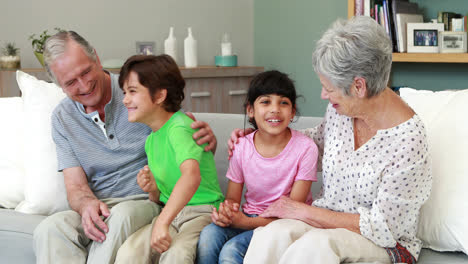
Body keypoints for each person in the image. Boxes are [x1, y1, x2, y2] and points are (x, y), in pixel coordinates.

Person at [231, 16, 432, 264]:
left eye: (329, 87)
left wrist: (303, 211)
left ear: (359, 86)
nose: (324, 95)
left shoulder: (408, 141)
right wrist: (259, 137)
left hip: (384, 243)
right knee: (273, 234)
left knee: (316, 247)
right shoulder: (342, 111)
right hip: (326, 221)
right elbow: (313, 145)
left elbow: (385, 228)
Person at [33, 31, 217, 264]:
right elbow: (75, 186)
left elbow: (179, 130)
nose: (84, 84)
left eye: (86, 71)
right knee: (49, 229)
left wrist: (208, 139)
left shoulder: (137, 90)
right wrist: (87, 204)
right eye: (70, 82)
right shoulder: (62, 118)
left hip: (144, 200)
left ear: (96, 58)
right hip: (102, 204)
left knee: (121, 216)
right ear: (59, 85)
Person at [196, 70, 319, 264]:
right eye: (265, 102)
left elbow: (294, 211)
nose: (275, 109)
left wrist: (245, 222)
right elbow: (232, 199)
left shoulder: (305, 148)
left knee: (231, 251)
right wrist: (226, 213)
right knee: (209, 236)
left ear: (293, 111)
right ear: (250, 110)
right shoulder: (242, 146)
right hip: (250, 216)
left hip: (286, 223)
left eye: (283, 103)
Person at [113, 54, 225, 263]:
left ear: (159, 96)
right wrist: (153, 188)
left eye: (133, 91)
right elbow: (161, 198)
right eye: (124, 92)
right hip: (172, 213)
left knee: (177, 255)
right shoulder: (151, 140)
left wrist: (163, 222)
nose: (125, 100)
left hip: (202, 213)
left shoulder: (180, 127)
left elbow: (191, 177)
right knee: (130, 253)